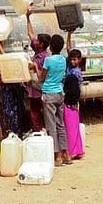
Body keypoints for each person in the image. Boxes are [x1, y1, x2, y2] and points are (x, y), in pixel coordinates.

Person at [34, 34, 70, 167]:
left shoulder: (48, 61)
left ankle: (57, 155)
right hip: (60, 93)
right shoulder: (63, 59)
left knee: (51, 125)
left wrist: (35, 67)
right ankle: (66, 153)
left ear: (50, 46)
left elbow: (41, 78)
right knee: (60, 124)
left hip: (49, 94)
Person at [25, 10, 50, 132]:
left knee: (45, 111)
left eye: (38, 41)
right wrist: (27, 18)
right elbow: (30, 34)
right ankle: (36, 131)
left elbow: (43, 76)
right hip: (33, 88)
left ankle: (48, 131)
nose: (36, 41)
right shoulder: (37, 51)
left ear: (42, 44)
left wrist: (34, 66)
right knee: (33, 113)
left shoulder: (46, 58)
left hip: (41, 88)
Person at [63, 30, 84, 160]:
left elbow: (77, 90)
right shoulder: (70, 68)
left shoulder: (76, 72)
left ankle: (73, 151)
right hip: (70, 98)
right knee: (72, 125)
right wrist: (69, 35)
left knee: (72, 126)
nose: (72, 61)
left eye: (74, 60)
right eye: (71, 59)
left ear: (79, 60)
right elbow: (68, 48)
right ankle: (76, 150)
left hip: (73, 100)